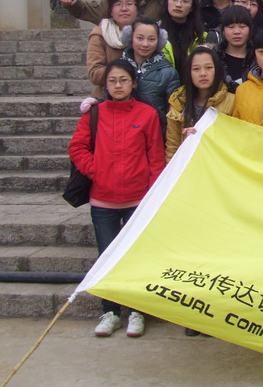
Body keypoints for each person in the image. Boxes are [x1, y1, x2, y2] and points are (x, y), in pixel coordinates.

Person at [69, 59, 165, 338]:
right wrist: (95, 169)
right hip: (103, 201)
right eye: (112, 81)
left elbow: (155, 157)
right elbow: (77, 147)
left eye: (123, 80)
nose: (118, 85)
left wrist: (152, 193)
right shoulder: (94, 114)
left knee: (136, 256)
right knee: (107, 256)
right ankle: (110, 311)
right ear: (105, 85)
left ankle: (137, 310)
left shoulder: (147, 114)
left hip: (137, 200)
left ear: (133, 83)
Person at [165, 47, 235, 164]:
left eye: (208, 68)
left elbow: (235, 143)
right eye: (196, 69)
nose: (203, 74)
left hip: (218, 166)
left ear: (217, 70)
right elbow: (172, 146)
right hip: (187, 165)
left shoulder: (232, 101)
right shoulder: (178, 101)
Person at [121, 17, 181, 134]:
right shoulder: (118, 69)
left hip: (155, 135)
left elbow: (174, 113)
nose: (145, 44)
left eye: (151, 39)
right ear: (130, 38)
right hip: (123, 134)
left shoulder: (168, 73)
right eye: (140, 38)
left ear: (159, 41)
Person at [86, 0, 140, 97]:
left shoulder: (146, 33)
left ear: (137, 9)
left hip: (141, 96)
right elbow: (94, 74)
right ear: (110, 10)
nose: (124, 8)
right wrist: (125, 69)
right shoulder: (100, 35)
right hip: (107, 97)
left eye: (129, 4)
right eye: (118, 4)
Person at [160, 0, 206, 79]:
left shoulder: (201, 36)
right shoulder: (156, 33)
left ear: (192, 7)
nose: (178, 5)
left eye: (185, 1)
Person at [215, 5, 255, 90]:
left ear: (250, 29)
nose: (237, 32)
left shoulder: (257, 57)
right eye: (231, 27)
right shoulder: (214, 57)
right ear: (223, 30)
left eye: (242, 27)